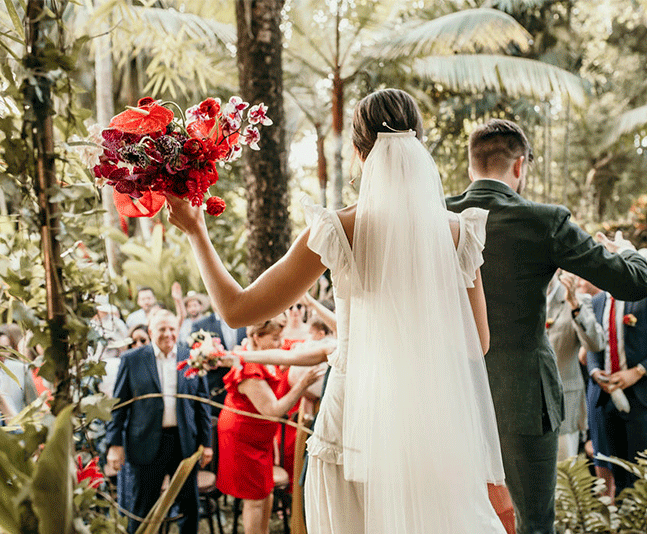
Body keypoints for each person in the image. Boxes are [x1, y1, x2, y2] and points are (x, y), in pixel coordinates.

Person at [167, 88, 507, 534]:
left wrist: (196, 232)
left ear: (357, 151)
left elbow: (237, 310)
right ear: (418, 144)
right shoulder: (459, 233)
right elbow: (477, 343)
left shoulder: (338, 230)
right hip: (430, 422)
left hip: (354, 426)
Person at [445, 118, 647, 534]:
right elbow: (636, 282)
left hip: (448, 394)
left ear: (471, 168)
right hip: (524, 396)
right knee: (533, 522)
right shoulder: (544, 222)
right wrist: (630, 251)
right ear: (520, 166)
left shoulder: (434, 215)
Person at [105, 310, 213, 534]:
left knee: (189, 506)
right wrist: (114, 444)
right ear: (151, 331)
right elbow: (119, 406)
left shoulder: (191, 356)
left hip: (184, 443)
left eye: (172, 328)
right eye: (162, 329)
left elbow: (202, 404)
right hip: (144, 442)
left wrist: (207, 443)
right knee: (143, 506)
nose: (168, 334)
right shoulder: (132, 360)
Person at [217, 320, 326, 534]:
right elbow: (274, 409)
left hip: (261, 435)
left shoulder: (267, 353)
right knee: (255, 498)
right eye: (275, 338)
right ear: (257, 338)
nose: (280, 342)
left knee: (265, 491)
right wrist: (303, 384)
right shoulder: (249, 369)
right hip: (242, 437)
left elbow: (294, 346)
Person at [587, 287, 647, 506]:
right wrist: (594, 371)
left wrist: (638, 371)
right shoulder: (597, 301)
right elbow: (592, 345)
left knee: (643, 479)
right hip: (607, 398)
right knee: (619, 477)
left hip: (643, 398)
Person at [545, 271, 605, 460]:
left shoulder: (577, 300)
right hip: (524, 405)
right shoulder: (519, 299)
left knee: (564, 474)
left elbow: (596, 343)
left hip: (564, 402)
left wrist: (574, 305)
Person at [191, 311, 247, 415]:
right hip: (216, 390)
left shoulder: (247, 319)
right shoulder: (200, 325)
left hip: (245, 387)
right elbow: (194, 356)